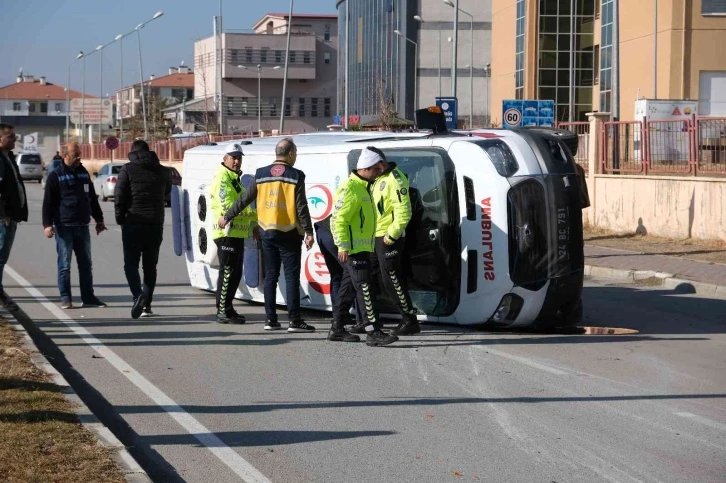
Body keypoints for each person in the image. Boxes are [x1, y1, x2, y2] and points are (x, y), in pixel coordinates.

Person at [219, 138, 315, 333]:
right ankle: (294, 321)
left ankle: (270, 320)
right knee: (291, 278)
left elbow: (244, 199)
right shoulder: (296, 175)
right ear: (290, 154)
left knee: (270, 276)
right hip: (289, 232)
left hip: (266, 232)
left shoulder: (261, 174)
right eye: (295, 153)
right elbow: (301, 206)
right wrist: (308, 231)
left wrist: (227, 216)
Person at [328, 147, 398, 346]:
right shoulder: (351, 188)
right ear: (366, 168)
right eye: (376, 170)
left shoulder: (363, 186)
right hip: (352, 249)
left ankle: (337, 328)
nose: (378, 173)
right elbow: (338, 219)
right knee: (365, 288)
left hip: (359, 248)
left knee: (347, 288)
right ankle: (373, 331)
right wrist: (342, 245)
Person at [42, 141, 107, 309]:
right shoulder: (55, 176)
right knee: (64, 265)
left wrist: (99, 219)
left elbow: (92, 198)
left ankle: (88, 297)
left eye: (79, 154)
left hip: (82, 226)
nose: (79, 157)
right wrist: (47, 225)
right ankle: (66, 298)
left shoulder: (83, 173)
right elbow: (48, 203)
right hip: (64, 226)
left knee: (86, 264)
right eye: (74, 155)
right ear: (65, 156)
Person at [365, 146, 421, 336]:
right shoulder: (379, 179)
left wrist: (392, 235)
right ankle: (369, 320)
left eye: (372, 167)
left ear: (380, 163)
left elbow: (404, 211)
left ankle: (409, 319)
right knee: (370, 276)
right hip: (374, 236)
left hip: (388, 238)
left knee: (392, 280)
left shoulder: (395, 179)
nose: (371, 172)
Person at [114, 140, 171, 319]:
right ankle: (147, 305)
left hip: (133, 222)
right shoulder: (163, 171)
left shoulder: (127, 170)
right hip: (155, 223)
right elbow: (167, 192)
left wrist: (120, 218)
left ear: (133, 152)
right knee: (150, 266)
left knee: (130, 264)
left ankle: (138, 295)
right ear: (149, 151)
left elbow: (119, 196)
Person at [210, 144, 257, 324]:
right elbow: (228, 210)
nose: (237, 161)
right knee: (228, 272)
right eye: (233, 157)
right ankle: (222, 310)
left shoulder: (235, 179)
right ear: (225, 159)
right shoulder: (223, 179)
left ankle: (228, 308)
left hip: (238, 233)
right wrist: (256, 216)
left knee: (236, 273)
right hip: (226, 233)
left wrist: (253, 226)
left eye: (239, 158)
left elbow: (242, 206)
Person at [313, 215, 363, 327]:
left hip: (322, 230)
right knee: (353, 275)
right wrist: (343, 246)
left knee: (337, 276)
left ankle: (339, 316)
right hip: (333, 234)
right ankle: (360, 319)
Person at [0, 123, 28, 312]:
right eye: (11, 137)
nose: (14, 139)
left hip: (10, 216)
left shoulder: (8, 157)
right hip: (3, 218)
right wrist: (4, 215)